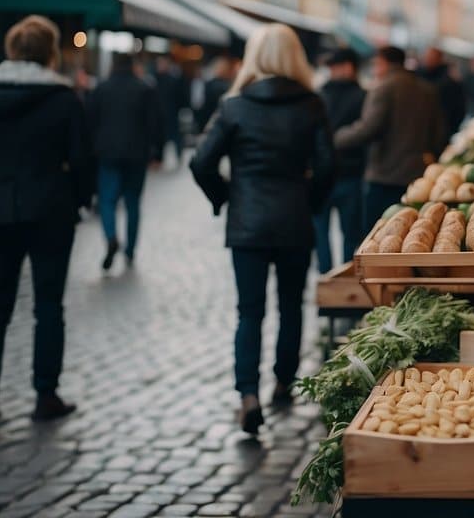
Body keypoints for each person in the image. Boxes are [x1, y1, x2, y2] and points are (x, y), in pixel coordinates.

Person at [189, 24, 334, 434]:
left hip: (248, 222)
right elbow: (327, 167)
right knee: (291, 305)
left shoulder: (234, 105)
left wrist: (225, 196)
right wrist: (312, 202)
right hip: (294, 218)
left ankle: (248, 394)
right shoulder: (311, 104)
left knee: (249, 311)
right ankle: (284, 381)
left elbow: (200, 163)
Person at [0, 16, 92, 430]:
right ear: (50, 51)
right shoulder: (63, 98)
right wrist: (78, 200)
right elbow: (81, 160)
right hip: (50, 210)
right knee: (48, 305)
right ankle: (45, 394)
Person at [335, 46, 446, 233]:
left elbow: (369, 128)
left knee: (379, 236)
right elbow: (439, 133)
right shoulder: (426, 89)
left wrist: (337, 138)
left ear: (384, 63)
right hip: (417, 177)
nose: (374, 69)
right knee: (413, 235)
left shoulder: (383, 87)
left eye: (376, 64)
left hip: (384, 176)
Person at [88, 53, 163, 270]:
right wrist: (156, 153)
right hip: (136, 154)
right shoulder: (144, 88)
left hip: (107, 153)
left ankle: (111, 236)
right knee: (132, 203)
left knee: (107, 200)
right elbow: (155, 123)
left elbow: (90, 122)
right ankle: (130, 250)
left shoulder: (101, 89)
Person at [312, 49, 367, 272]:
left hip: (322, 174)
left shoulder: (318, 96)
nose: (331, 72)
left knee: (321, 233)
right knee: (350, 234)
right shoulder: (363, 96)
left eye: (334, 67)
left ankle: (326, 279)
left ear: (348, 66)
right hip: (351, 173)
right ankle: (345, 280)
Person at [417, 47, 466, 141]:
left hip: (440, 133)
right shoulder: (418, 76)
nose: (428, 59)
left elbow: (459, 109)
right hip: (419, 131)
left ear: (440, 59)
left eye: (431, 57)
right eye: (427, 57)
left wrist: (450, 130)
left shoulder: (450, 83)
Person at [152, 56, 189, 167]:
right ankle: (158, 159)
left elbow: (180, 97)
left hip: (172, 114)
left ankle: (178, 157)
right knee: (160, 139)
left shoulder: (173, 80)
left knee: (175, 137)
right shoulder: (153, 80)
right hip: (159, 115)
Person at [194, 55, 235, 134]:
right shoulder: (228, 85)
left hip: (209, 120)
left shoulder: (209, 84)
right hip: (221, 121)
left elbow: (202, 104)